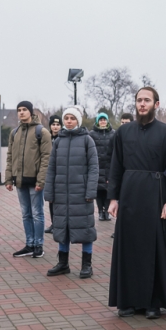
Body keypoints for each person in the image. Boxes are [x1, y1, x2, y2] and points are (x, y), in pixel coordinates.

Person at [108, 87, 166, 319]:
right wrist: (113, 197)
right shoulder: (123, 132)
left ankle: (153, 302)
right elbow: (115, 166)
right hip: (129, 195)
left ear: (156, 104)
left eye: (147, 100)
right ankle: (128, 301)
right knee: (129, 248)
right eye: (139, 100)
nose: (142, 104)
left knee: (155, 249)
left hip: (156, 195)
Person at [45, 108, 99, 279]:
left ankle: (86, 265)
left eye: (72, 118)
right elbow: (51, 168)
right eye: (66, 118)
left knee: (85, 228)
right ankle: (63, 263)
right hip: (61, 194)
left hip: (81, 194)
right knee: (62, 229)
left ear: (78, 121)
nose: (68, 121)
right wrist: (50, 191)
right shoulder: (58, 142)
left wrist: (90, 190)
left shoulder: (87, 140)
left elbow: (93, 167)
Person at [6, 101, 52, 259]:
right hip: (19, 181)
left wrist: (41, 181)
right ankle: (29, 244)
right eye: (19, 110)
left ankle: (38, 245)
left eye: (24, 109)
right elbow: (10, 156)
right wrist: (8, 179)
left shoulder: (42, 132)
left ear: (31, 112)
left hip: (35, 181)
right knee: (26, 214)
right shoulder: (14, 132)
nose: (21, 112)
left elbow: (46, 158)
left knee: (37, 213)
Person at [89, 112, 115, 221]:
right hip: (97, 165)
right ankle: (100, 211)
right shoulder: (92, 134)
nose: (103, 121)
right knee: (99, 191)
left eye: (104, 119)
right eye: (101, 120)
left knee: (108, 190)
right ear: (97, 121)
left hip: (109, 165)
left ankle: (107, 211)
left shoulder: (113, 133)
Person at [45, 115, 62, 234]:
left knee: (60, 201)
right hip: (49, 173)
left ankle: (60, 224)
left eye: (57, 125)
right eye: (53, 125)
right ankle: (53, 223)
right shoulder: (47, 139)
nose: (55, 127)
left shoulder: (63, 138)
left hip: (60, 173)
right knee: (51, 200)